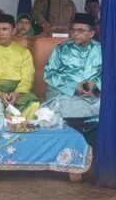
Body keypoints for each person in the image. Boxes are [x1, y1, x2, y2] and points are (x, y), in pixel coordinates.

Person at [43, 13, 102, 145]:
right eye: (73, 30)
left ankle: (88, 151)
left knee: (103, 114)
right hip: (63, 92)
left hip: (92, 95)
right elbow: (49, 74)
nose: (75, 34)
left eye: (80, 30)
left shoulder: (101, 50)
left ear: (91, 33)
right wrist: (74, 86)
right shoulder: (61, 49)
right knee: (55, 116)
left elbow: (109, 75)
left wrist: (95, 84)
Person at [0, 14, 40, 121]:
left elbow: (28, 78)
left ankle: (19, 128)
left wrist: (17, 93)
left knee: (34, 105)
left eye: (5, 29)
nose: (0, 33)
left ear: (13, 31)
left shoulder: (24, 52)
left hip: (18, 93)